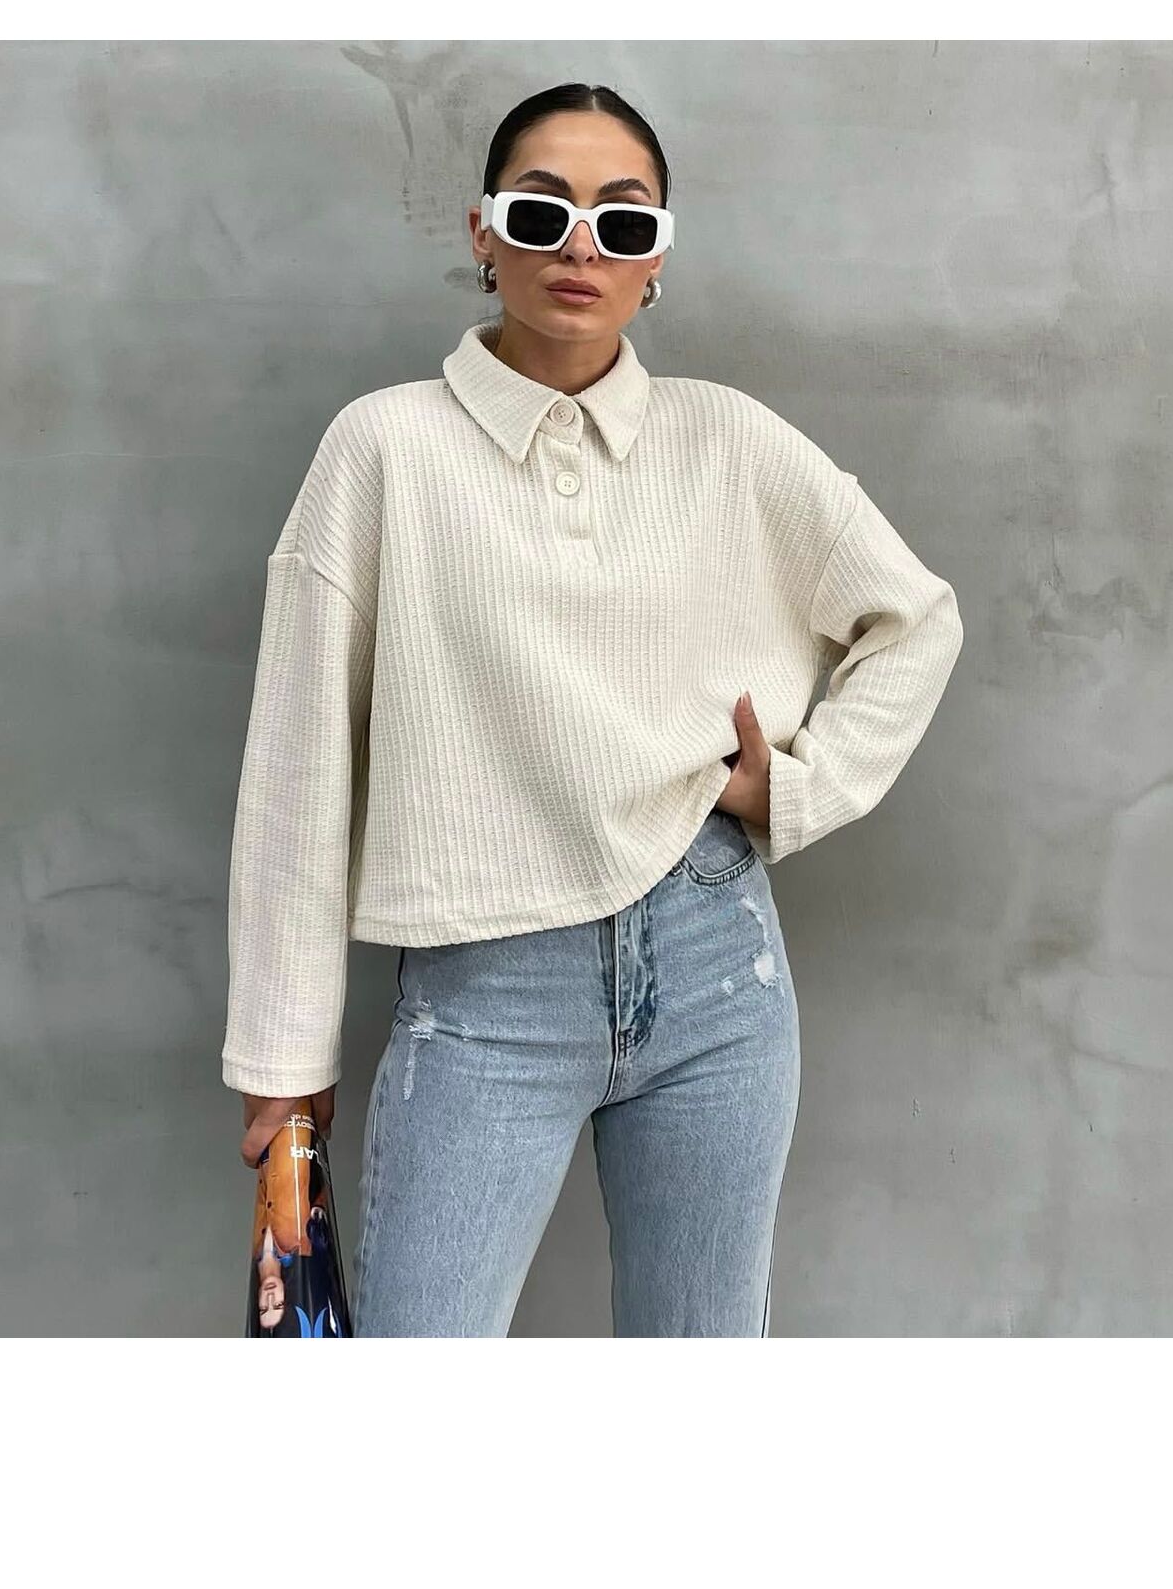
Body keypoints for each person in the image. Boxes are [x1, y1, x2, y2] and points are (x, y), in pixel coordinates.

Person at [223, 81, 965, 1336]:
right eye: (542, 210)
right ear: (482, 230)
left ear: (656, 258)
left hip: (718, 963)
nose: (581, 245)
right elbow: (299, 769)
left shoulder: (726, 440)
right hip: (486, 986)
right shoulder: (383, 450)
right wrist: (285, 1066)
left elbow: (917, 618)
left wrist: (798, 789)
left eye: (622, 222)